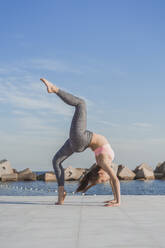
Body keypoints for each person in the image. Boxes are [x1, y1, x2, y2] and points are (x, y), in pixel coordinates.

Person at [40, 78, 121, 207]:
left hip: (81, 138)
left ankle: (54, 89)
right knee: (56, 161)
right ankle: (61, 195)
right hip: (79, 143)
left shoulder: (103, 162)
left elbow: (115, 180)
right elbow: (112, 181)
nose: (107, 179)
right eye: (105, 180)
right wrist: (115, 199)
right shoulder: (103, 165)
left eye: (103, 179)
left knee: (81, 104)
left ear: (101, 172)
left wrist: (118, 202)